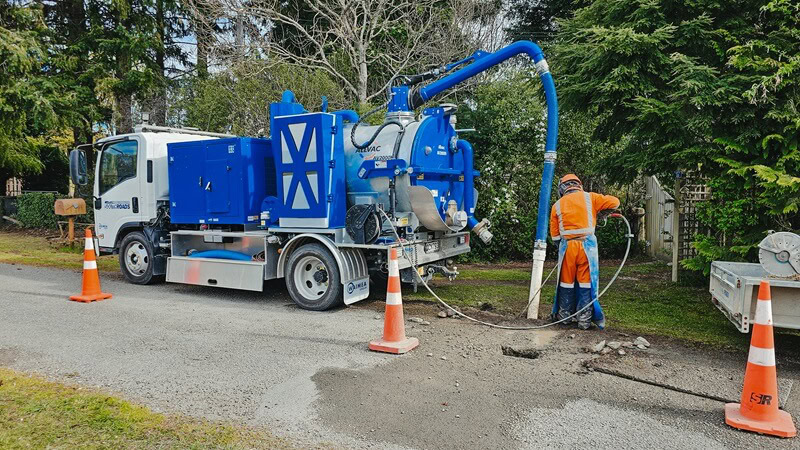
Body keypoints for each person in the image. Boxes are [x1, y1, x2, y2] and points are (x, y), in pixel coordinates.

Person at [549, 174, 620, 329]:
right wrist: (602, 212)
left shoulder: (557, 205)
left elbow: (555, 236)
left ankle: (564, 317)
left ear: (562, 188)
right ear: (578, 185)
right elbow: (615, 202)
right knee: (586, 282)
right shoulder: (591, 198)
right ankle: (584, 320)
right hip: (587, 247)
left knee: (566, 282)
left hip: (568, 248)